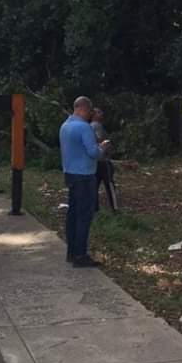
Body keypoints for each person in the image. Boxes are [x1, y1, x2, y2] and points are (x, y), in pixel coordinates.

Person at [59, 96, 108, 267]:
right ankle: (81, 255)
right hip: (85, 175)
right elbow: (93, 153)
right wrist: (102, 147)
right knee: (84, 216)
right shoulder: (84, 127)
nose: (90, 114)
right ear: (82, 109)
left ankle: (72, 252)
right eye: (89, 111)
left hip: (70, 174)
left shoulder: (65, 126)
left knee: (72, 214)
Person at [91, 107, 119, 212]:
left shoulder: (89, 127)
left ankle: (95, 209)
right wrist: (106, 146)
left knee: (94, 186)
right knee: (109, 185)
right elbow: (99, 140)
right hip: (103, 161)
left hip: (95, 161)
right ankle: (114, 208)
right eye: (99, 112)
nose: (101, 114)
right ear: (94, 115)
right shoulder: (97, 126)